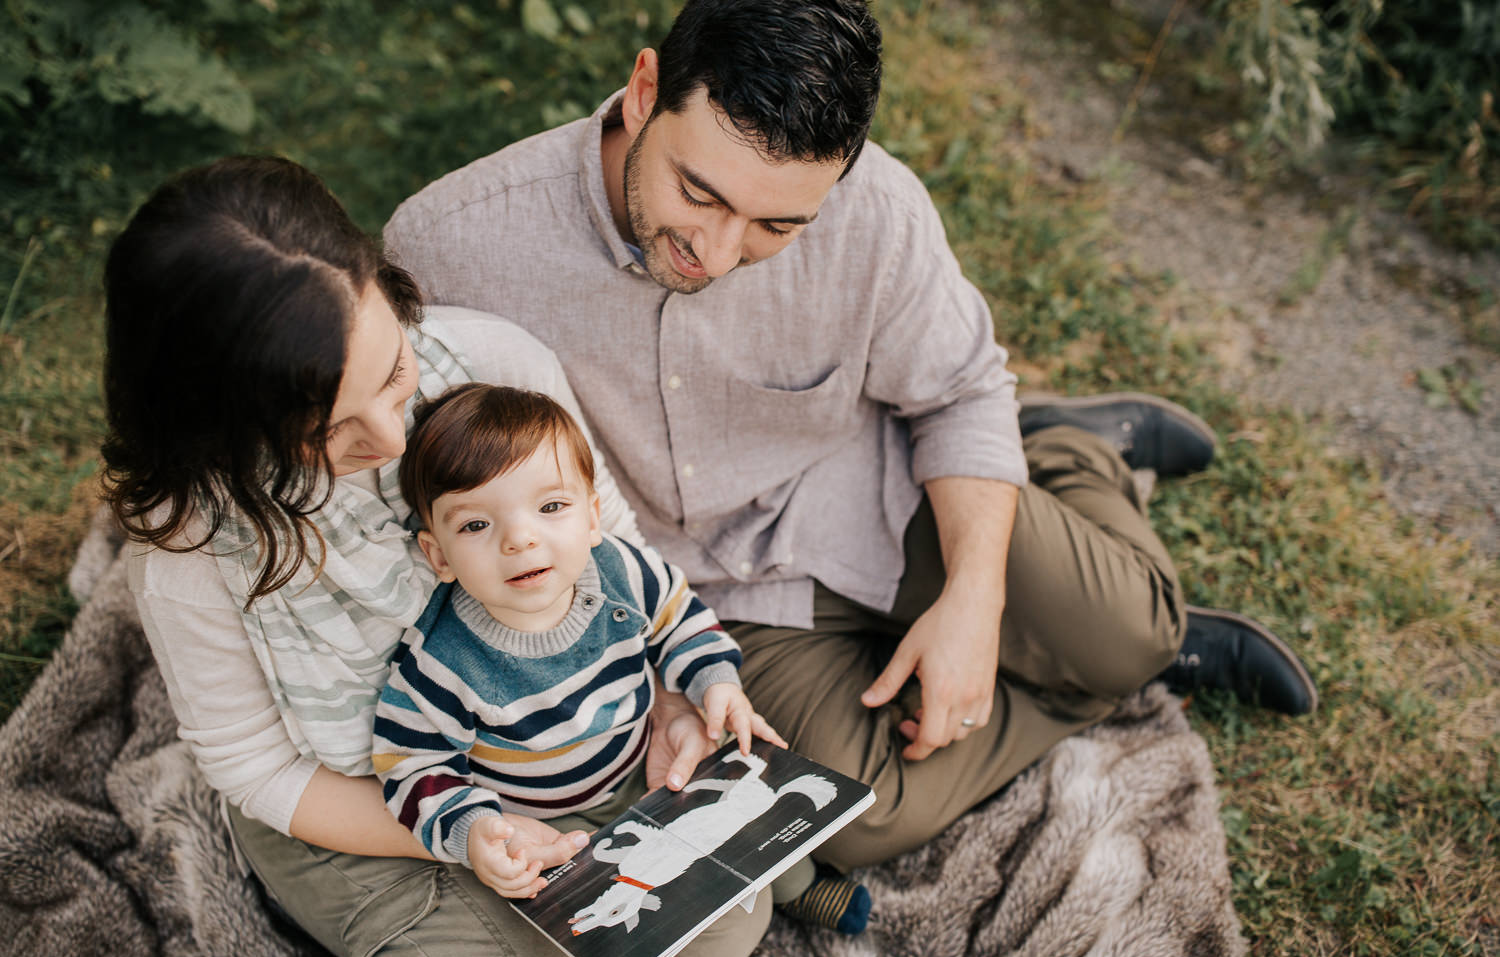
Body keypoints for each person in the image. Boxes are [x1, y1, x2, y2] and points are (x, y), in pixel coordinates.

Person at [382, 0, 1318, 873]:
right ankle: (1090, 662)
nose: (716, 251)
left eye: (777, 225)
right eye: (699, 194)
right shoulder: (451, 247)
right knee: (849, 819)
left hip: (878, 492)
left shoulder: (878, 206)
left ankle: (1073, 452)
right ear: (644, 89)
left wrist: (977, 603)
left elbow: (958, 391)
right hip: (715, 599)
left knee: (1133, 628)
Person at [106, 155, 771, 957]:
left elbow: (609, 545)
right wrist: (466, 831)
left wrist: (671, 699)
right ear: (219, 433)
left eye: (392, 375)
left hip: (547, 743)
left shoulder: (491, 361)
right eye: (327, 431)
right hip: (359, 806)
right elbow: (259, 770)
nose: (389, 438)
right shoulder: (189, 551)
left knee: (730, 909)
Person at [371, 382, 869, 933]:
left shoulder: (622, 572)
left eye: (551, 506)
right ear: (438, 555)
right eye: (476, 525)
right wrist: (474, 832)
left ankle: (798, 885)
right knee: (625, 899)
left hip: (642, 761)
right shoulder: (440, 662)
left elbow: (680, 618)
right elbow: (413, 767)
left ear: (591, 518)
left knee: (735, 812)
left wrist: (715, 682)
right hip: (546, 824)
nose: (519, 539)